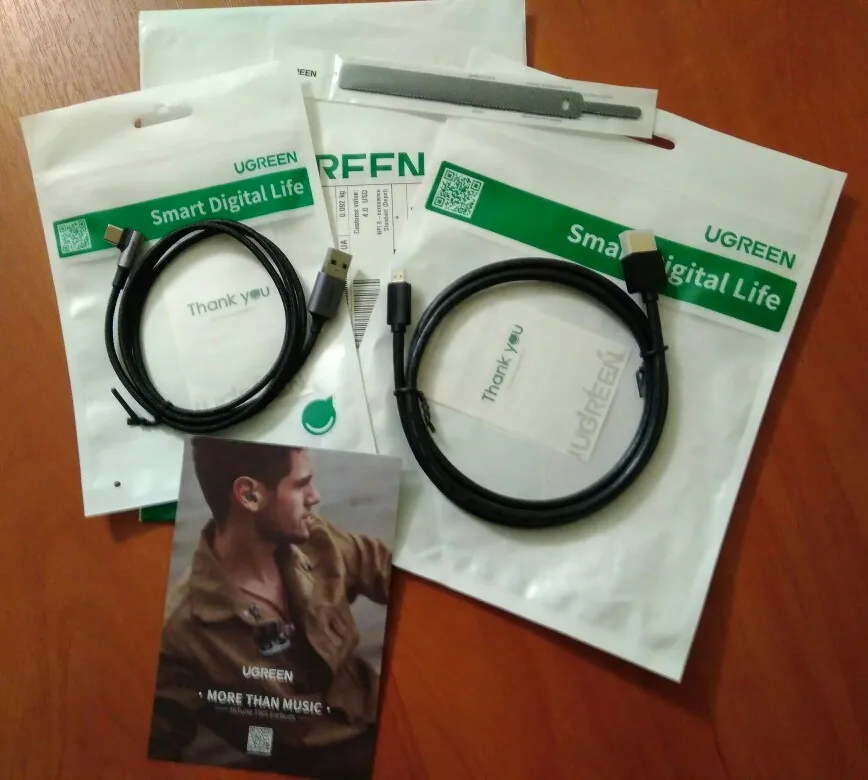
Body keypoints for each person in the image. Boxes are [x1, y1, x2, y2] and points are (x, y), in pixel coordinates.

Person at [149, 438, 392, 779]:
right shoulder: (181, 631)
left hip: (383, 717)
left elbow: (388, 570)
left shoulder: (317, 539)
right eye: (301, 485)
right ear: (249, 495)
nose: (315, 496)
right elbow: (156, 748)